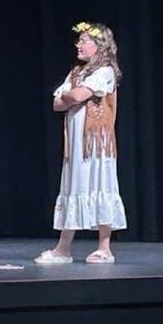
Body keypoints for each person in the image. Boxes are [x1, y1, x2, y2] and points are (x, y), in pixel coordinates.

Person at [35, 21, 127, 265]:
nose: (78, 45)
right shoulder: (76, 72)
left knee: (101, 183)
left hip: (97, 142)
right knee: (73, 186)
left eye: (84, 41)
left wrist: (71, 96)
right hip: (76, 143)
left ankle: (104, 248)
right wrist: (72, 96)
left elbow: (76, 95)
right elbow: (57, 104)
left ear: (99, 45)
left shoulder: (105, 71)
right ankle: (63, 249)